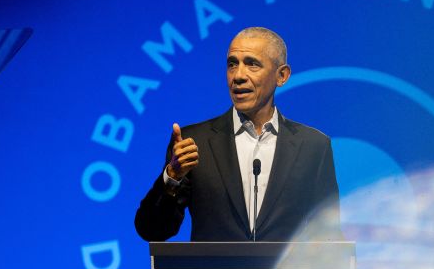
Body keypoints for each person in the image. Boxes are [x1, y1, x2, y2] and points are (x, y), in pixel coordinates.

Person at [135, 27, 340, 242]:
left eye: (252, 64)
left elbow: (329, 235)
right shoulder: (194, 143)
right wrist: (172, 178)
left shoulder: (313, 146)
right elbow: (152, 230)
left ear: (281, 76)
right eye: (232, 64)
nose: (239, 75)